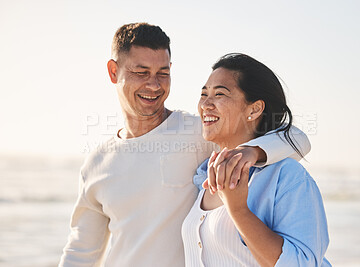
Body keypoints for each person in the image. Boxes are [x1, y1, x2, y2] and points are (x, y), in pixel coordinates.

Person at [59, 23, 311, 267]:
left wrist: (252, 151)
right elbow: (81, 252)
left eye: (163, 73)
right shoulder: (97, 162)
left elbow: (298, 140)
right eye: (141, 72)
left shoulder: (200, 133)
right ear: (114, 72)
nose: (154, 85)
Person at [182, 53, 331, 267]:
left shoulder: (287, 177)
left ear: (254, 109)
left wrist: (239, 211)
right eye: (204, 94)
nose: (205, 104)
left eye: (219, 94)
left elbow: (302, 263)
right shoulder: (204, 176)